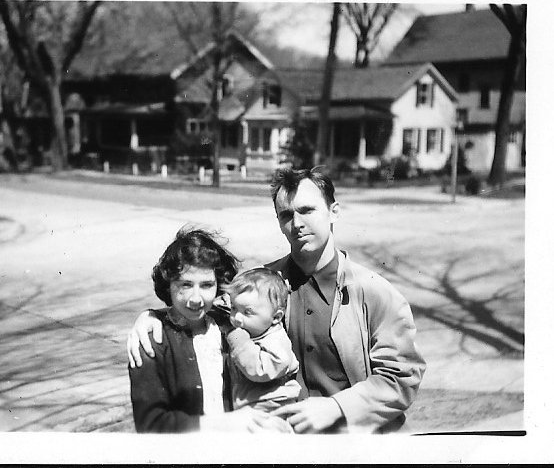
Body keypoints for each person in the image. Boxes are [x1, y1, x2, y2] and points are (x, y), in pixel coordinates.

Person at [127, 167, 426, 434]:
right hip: (282, 443)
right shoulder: (262, 285)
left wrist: (337, 407)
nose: (297, 223)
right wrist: (153, 317)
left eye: (307, 210)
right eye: (286, 215)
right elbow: (202, 306)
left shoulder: (374, 292)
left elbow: (402, 377)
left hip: (356, 443)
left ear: (334, 211)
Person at [128, 227, 289, 433]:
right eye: (185, 285)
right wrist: (226, 423)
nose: (196, 299)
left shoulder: (230, 325)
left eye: (206, 285)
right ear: (168, 285)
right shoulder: (152, 339)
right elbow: (151, 425)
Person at [221, 267, 301, 412]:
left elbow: (259, 370)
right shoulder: (250, 332)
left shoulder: (276, 341)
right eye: (233, 308)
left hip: (272, 408)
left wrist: (239, 341)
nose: (236, 317)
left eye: (247, 312)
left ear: (276, 317)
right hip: (248, 407)